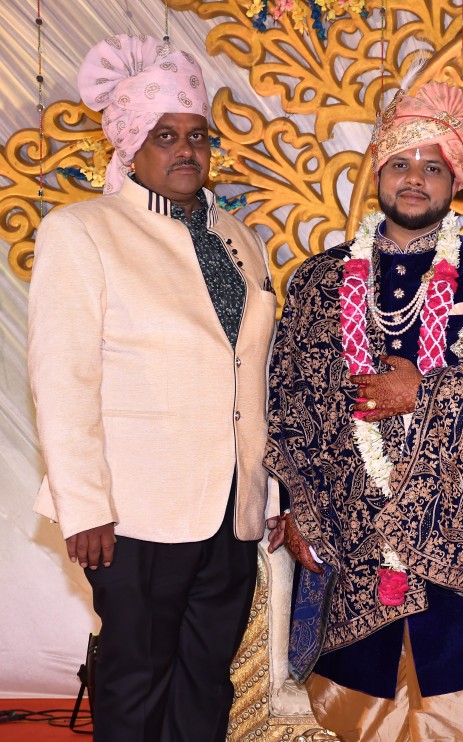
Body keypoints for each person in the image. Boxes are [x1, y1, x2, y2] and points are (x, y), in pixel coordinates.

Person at [264, 81, 463, 741]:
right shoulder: (319, 280)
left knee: (459, 698)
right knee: (360, 703)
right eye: (400, 163)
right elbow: (291, 407)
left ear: (456, 181)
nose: (414, 179)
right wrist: (302, 508)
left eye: (432, 166)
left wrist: (425, 392)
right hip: (353, 527)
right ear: (377, 174)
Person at [27, 34, 275, 741]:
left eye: (198, 135)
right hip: (133, 515)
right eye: (165, 136)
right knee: (135, 683)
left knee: (207, 682)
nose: (186, 150)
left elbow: (248, 375)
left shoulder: (238, 237)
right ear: (131, 145)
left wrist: (267, 494)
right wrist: (84, 506)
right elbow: (62, 378)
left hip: (231, 511)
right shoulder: (83, 231)